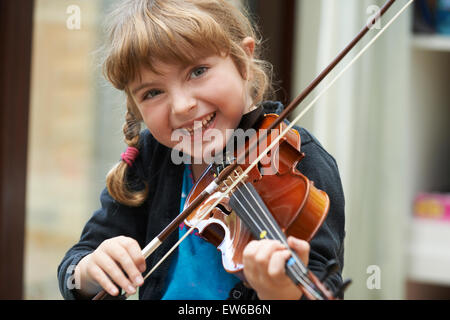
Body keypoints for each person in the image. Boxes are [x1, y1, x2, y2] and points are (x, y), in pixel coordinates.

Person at [58, 0, 345, 300]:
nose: (183, 106)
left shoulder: (297, 159)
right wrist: (90, 271)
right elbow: (75, 267)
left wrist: (280, 292)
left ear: (243, 60)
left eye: (198, 71)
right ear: (135, 106)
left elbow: (322, 280)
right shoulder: (151, 159)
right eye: (153, 92)